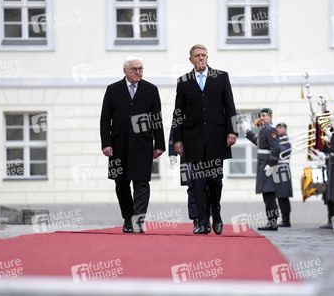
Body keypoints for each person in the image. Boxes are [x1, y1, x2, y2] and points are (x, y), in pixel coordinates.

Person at [172, 44, 237, 235]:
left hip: (217, 138)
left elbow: (230, 106)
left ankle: (215, 214)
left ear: (208, 58)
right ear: (191, 59)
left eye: (204, 55)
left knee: (215, 180)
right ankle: (202, 222)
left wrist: (232, 131)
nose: (201, 59)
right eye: (197, 56)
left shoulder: (221, 77)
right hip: (193, 139)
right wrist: (177, 139)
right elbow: (178, 112)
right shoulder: (184, 81)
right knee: (198, 182)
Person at [100, 56, 165, 234]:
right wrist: (106, 144)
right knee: (121, 183)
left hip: (142, 143)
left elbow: (156, 119)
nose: (138, 72)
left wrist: (159, 144)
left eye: (141, 69)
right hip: (117, 144)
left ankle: (138, 220)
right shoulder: (113, 90)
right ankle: (127, 218)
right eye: (134, 69)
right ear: (125, 71)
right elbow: (105, 119)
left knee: (142, 182)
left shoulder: (151, 90)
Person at [243, 108, 280, 230]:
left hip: (267, 164)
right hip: (263, 164)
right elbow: (260, 143)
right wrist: (248, 132)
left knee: (269, 194)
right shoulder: (265, 129)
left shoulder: (270, 129)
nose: (262, 117)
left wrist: (271, 164)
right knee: (266, 193)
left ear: (270, 117)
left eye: (264, 115)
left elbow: (276, 149)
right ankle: (271, 221)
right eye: (261, 115)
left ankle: (273, 222)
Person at [168, 128, 211, 234]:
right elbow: (176, 126)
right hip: (187, 152)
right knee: (192, 187)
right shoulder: (183, 110)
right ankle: (197, 220)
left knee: (208, 187)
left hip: (206, 150)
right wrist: (172, 152)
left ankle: (206, 219)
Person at [275, 123, 293, 227]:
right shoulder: (278, 140)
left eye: (280, 127)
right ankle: (284, 219)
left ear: (285, 129)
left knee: (283, 195)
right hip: (277, 169)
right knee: (280, 196)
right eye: (277, 127)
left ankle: (286, 220)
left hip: (283, 169)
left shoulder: (285, 142)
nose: (278, 129)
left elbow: (280, 152)